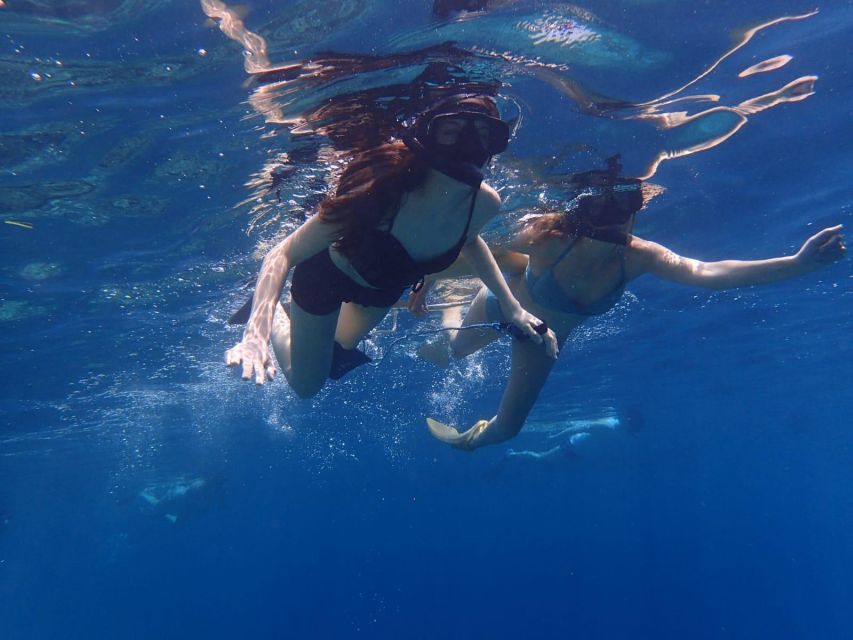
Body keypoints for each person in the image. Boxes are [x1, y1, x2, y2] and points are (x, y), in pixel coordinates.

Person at [415, 156, 846, 450]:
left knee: (507, 431)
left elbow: (708, 273)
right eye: (604, 206)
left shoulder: (641, 256)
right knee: (453, 349)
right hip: (503, 301)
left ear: (636, 210)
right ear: (582, 209)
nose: (615, 218)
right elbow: (470, 245)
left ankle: (465, 443)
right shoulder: (548, 237)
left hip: (542, 340)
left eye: (625, 205)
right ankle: (450, 318)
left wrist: (797, 263)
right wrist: (427, 277)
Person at [225, 94, 558, 397]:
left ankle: (292, 317)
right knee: (307, 385)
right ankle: (276, 311)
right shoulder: (381, 189)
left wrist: (512, 307)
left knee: (339, 347)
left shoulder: (484, 203)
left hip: (383, 290)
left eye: (483, 135)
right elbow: (282, 253)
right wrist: (256, 333)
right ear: (427, 136)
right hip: (326, 278)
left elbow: (470, 241)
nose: (468, 146)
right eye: (451, 131)